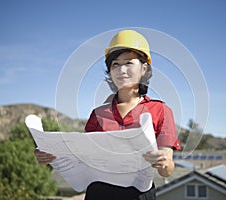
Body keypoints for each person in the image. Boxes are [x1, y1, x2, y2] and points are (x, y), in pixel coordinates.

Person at [35, 29, 181, 200]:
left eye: (128, 63)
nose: (121, 70)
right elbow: (84, 159)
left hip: (139, 194)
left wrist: (164, 162)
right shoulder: (97, 114)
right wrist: (52, 155)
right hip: (99, 193)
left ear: (144, 68)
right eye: (115, 64)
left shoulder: (161, 110)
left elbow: (167, 170)